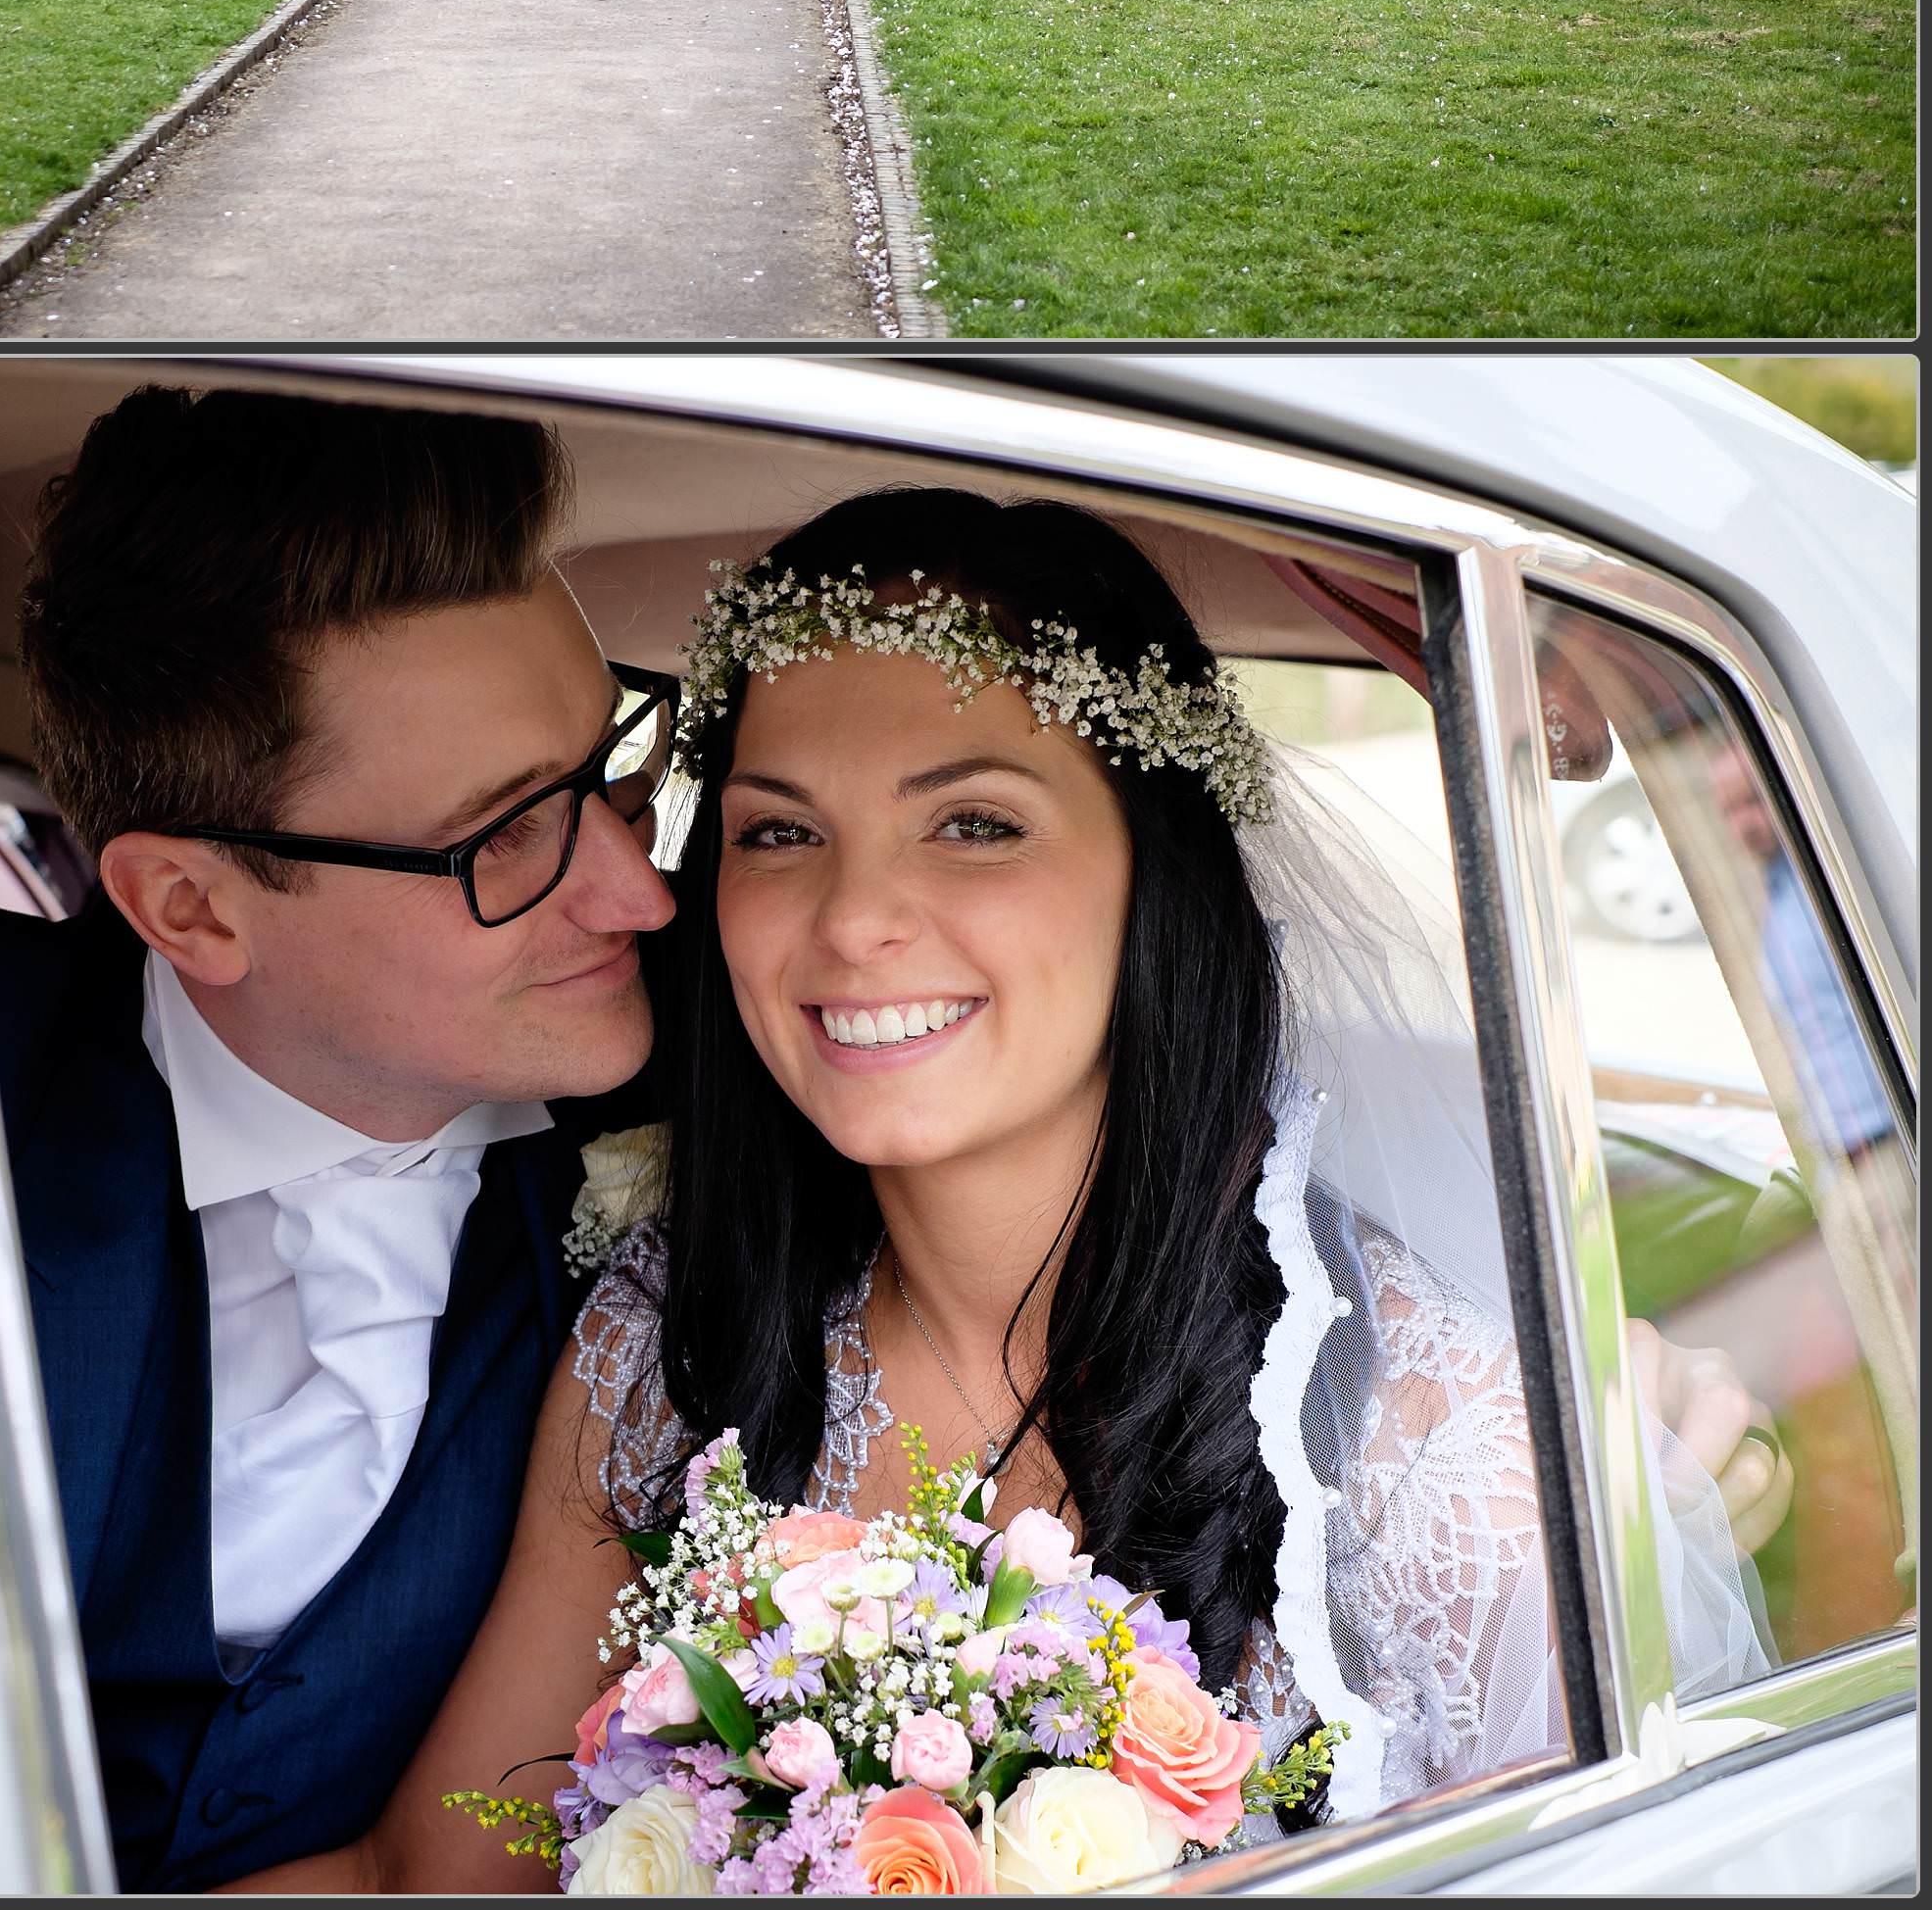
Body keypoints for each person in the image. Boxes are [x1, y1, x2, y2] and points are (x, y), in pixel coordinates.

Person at [240, 489, 1785, 1893]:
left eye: (973, 824)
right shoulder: (671, 1335)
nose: (852, 923)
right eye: (780, 832)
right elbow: (432, 1882)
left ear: (1151, 876)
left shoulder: (1434, 1465)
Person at [0, 386, 677, 1891]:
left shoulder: (757, 1093)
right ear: (193, 908)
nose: (637, 890)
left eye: (610, 770)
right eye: (503, 833)